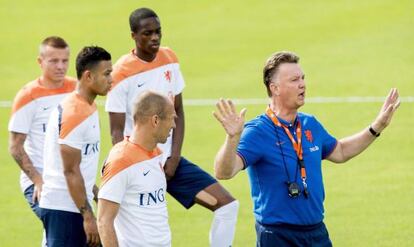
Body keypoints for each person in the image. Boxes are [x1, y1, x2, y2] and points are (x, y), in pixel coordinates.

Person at [213, 51, 400, 247]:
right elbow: (223, 171)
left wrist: (377, 126)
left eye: (302, 78)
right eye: (294, 80)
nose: (302, 84)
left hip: (316, 233)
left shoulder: (309, 124)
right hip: (278, 236)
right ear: (274, 88)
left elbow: (341, 151)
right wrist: (232, 138)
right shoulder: (257, 131)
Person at [105, 7, 238, 246]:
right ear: (133, 35)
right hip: (137, 166)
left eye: (158, 32)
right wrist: (130, 164)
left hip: (168, 163)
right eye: (147, 33)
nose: (155, 37)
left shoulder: (169, 59)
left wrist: (174, 158)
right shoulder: (121, 73)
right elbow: (116, 132)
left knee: (227, 205)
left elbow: (178, 111)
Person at [39, 46, 112, 247]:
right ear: (88, 76)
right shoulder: (75, 112)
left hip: (76, 205)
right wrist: (88, 217)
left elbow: (82, 165)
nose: (111, 79)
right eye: (106, 73)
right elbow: (70, 170)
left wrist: (97, 195)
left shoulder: (88, 106)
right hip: (64, 209)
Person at [8, 36, 76, 246]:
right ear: (40, 62)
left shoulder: (76, 89)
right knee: (66, 231)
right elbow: (15, 147)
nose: (60, 66)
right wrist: (38, 180)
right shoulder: (28, 96)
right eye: (53, 61)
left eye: (65, 61)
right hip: (40, 182)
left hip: (71, 180)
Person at [98, 91, 176, 247]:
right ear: (155, 120)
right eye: (171, 118)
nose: (173, 125)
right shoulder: (121, 160)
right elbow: (104, 221)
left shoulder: (156, 154)